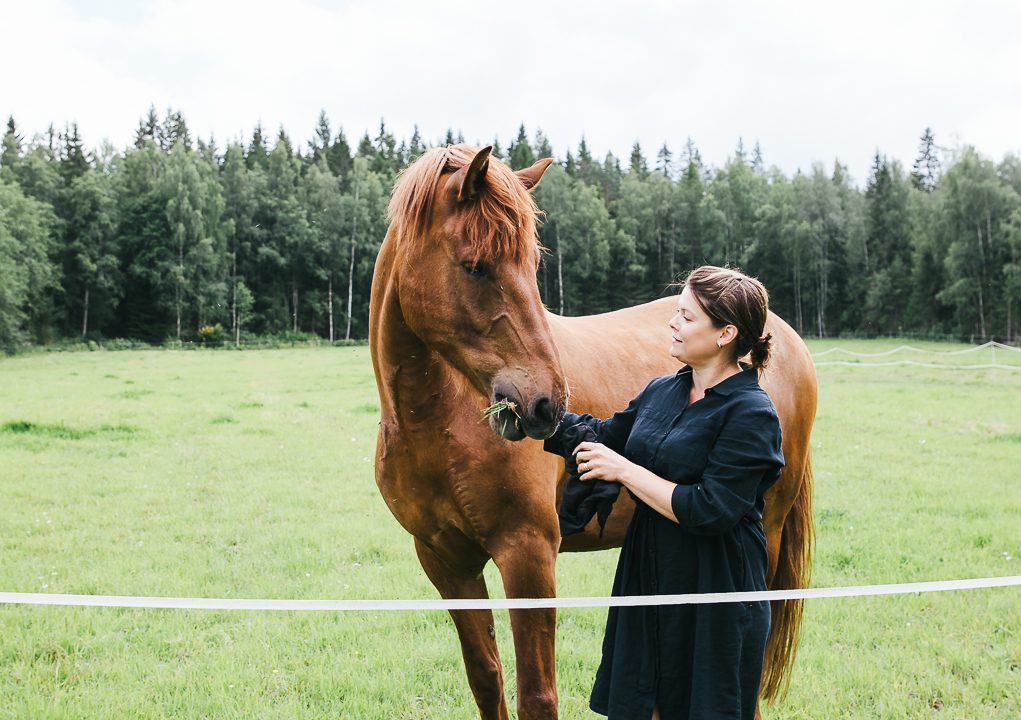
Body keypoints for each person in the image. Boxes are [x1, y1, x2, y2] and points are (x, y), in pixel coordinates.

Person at [544, 265, 784, 720]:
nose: (672, 323)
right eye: (676, 312)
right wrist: (540, 420)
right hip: (647, 577)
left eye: (687, 317)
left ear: (725, 333)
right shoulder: (663, 391)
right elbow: (605, 436)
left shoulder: (752, 414)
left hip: (713, 590)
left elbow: (709, 508)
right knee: (641, 707)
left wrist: (626, 472)